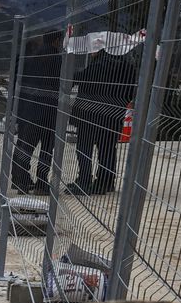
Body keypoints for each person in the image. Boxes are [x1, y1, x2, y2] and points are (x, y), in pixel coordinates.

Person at [68, 48, 137, 195]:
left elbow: (80, 78)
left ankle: (84, 181)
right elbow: (131, 92)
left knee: (84, 147)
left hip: (89, 113)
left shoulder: (97, 65)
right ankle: (105, 183)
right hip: (112, 114)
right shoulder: (128, 68)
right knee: (107, 149)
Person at [11, 31, 64, 193]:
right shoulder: (56, 58)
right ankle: (42, 183)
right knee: (47, 149)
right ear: (56, 41)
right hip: (49, 110)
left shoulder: (30, 58)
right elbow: (61, 82)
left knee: (25, 146)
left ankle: (21, 181)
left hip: (28, 109)